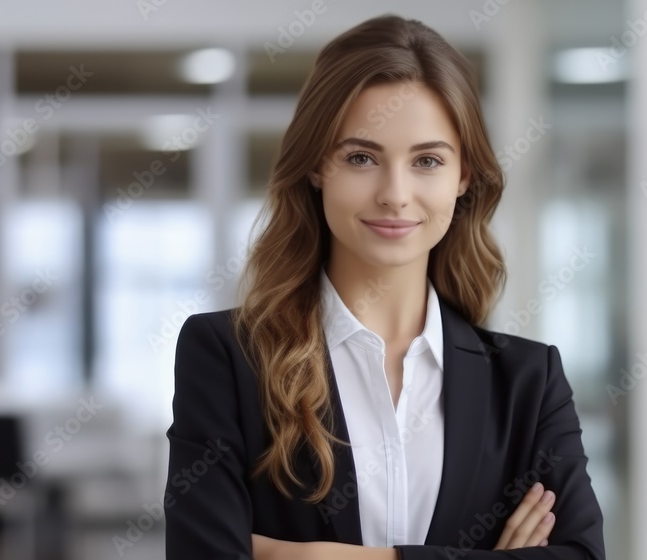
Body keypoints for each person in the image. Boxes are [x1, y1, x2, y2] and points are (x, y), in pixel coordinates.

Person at [163, 14, 605, 560]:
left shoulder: (527, 384)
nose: (395, 194)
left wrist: (308, 555)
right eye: (362, 157)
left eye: (426, 161)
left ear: (463, 176)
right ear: (317, 167)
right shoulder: (227, 357)